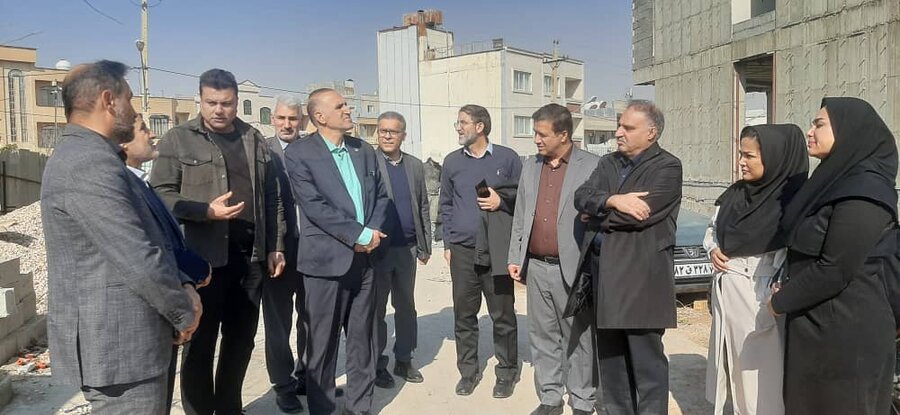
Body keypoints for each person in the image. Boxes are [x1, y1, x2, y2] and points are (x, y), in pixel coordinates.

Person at [41, 60, 201, 414]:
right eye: (129, 98)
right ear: (108, 100)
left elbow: (150, 238)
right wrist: (183, 312)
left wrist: (184, 283)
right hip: (121, 350)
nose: (134, 109)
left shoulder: (100, 157)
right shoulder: (88, 163)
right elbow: (136, 255)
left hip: (130, 349)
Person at [150, 68, 285, 415]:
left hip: (249, 260)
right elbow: (160, 195)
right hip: (203, 263)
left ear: (237, 102)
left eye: (226, 103)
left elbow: (271, 196)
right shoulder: (178, 139)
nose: (219, 110)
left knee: (240, 343)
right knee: (200, 345)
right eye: (211, 103)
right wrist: (204, 211)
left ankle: (229, 408)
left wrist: (275, 245)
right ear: (200, 99)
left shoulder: (253, 138)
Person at [769, 97, 898, 415]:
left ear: (848, 131)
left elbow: (836, 268)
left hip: (848, 335)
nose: (809, 131)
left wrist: (779, 302)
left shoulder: (864, 192)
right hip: (817, 326)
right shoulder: (831, 183)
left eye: (819, 124)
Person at [284, 88, 389, 415]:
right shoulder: (300, 153)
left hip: (366, 260)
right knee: (323, 346)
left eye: (346, 104)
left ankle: (359, 408)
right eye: (340, 106)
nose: (348, 109)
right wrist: (357, 234)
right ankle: (323, 408)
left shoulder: (363, 150)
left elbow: (381, 196)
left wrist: (371, 233)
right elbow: (314, 206)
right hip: (325, 265)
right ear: (320, 116)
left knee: (363, 342)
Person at [574, 99, 682, 415]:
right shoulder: (608, 163)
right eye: (619, 125)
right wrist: (613, 200)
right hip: (604, 276)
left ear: (651, 132)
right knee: (611, 362)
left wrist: (596, 214)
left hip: (641, 280)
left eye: (628, 127)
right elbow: (581, 196)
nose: (618, 132)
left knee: (647, 364)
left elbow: (640, 216)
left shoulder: (667, 167)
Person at [703, 124, 808, 415]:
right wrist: (713, 249)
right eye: (740, 154)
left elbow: (796, 251)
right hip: (728, 288)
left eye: (749, 156)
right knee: (734, 367)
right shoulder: (735, 194)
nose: (741, 162)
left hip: (763, 295)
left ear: (774, 158)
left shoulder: (793, 203)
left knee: (762, 377)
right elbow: (713, 229)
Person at [507, 104, 598, 415]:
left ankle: (583, 400)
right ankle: (550, 398)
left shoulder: (592, 165)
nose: (536, 139)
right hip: (536, 266)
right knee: (542, 336)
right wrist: (515, 255)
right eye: (535, 133)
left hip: (573, 268)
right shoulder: (531, 166)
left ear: (563, 134)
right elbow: (521, 214)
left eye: (542, 134)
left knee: (578, 336)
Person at [122, 115, 212, 414]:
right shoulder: (124, 188)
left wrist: (193, 271)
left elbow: (167, 241)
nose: (151, 135)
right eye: (143, 130)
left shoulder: (140, 183)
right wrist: (182, 301)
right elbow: (149, 251)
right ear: (123, 142)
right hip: (148, 314)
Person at [439, 104, 521, 398]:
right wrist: (448, 243)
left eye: (463, 122)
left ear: (480, 127)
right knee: (464, 315)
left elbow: (523, 199)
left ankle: (506, 372)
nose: (458, 128)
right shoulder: (451, 162)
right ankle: (468, 372)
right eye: (458, 123)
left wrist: (502, 202)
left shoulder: (508, 158)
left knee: (503, 315)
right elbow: (446, 205)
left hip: (498, 249)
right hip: (462, 251)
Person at [372, 111, 432, 388]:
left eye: (393, 131)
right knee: (376, 309)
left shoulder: (415, 166)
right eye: (382, 130)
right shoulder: (369, 162)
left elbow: (423, 205)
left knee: (406, 305)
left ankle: (404, 358)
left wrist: (425, 244)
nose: (387, 136)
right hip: (378, 250)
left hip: (407, 248)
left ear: (403, 135)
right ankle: (377, 363)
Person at [261, 94, 307, 413]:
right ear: (273, 119)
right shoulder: (262, 151)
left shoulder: (312, 150)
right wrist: (270, 247)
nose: (287, 124)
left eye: (293, 118)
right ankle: (283, 384)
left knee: (312, 318)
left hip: (313, 250)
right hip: (276, 251)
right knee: (278, 323)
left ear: (301, 121)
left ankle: (306, 375)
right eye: (281, 118)